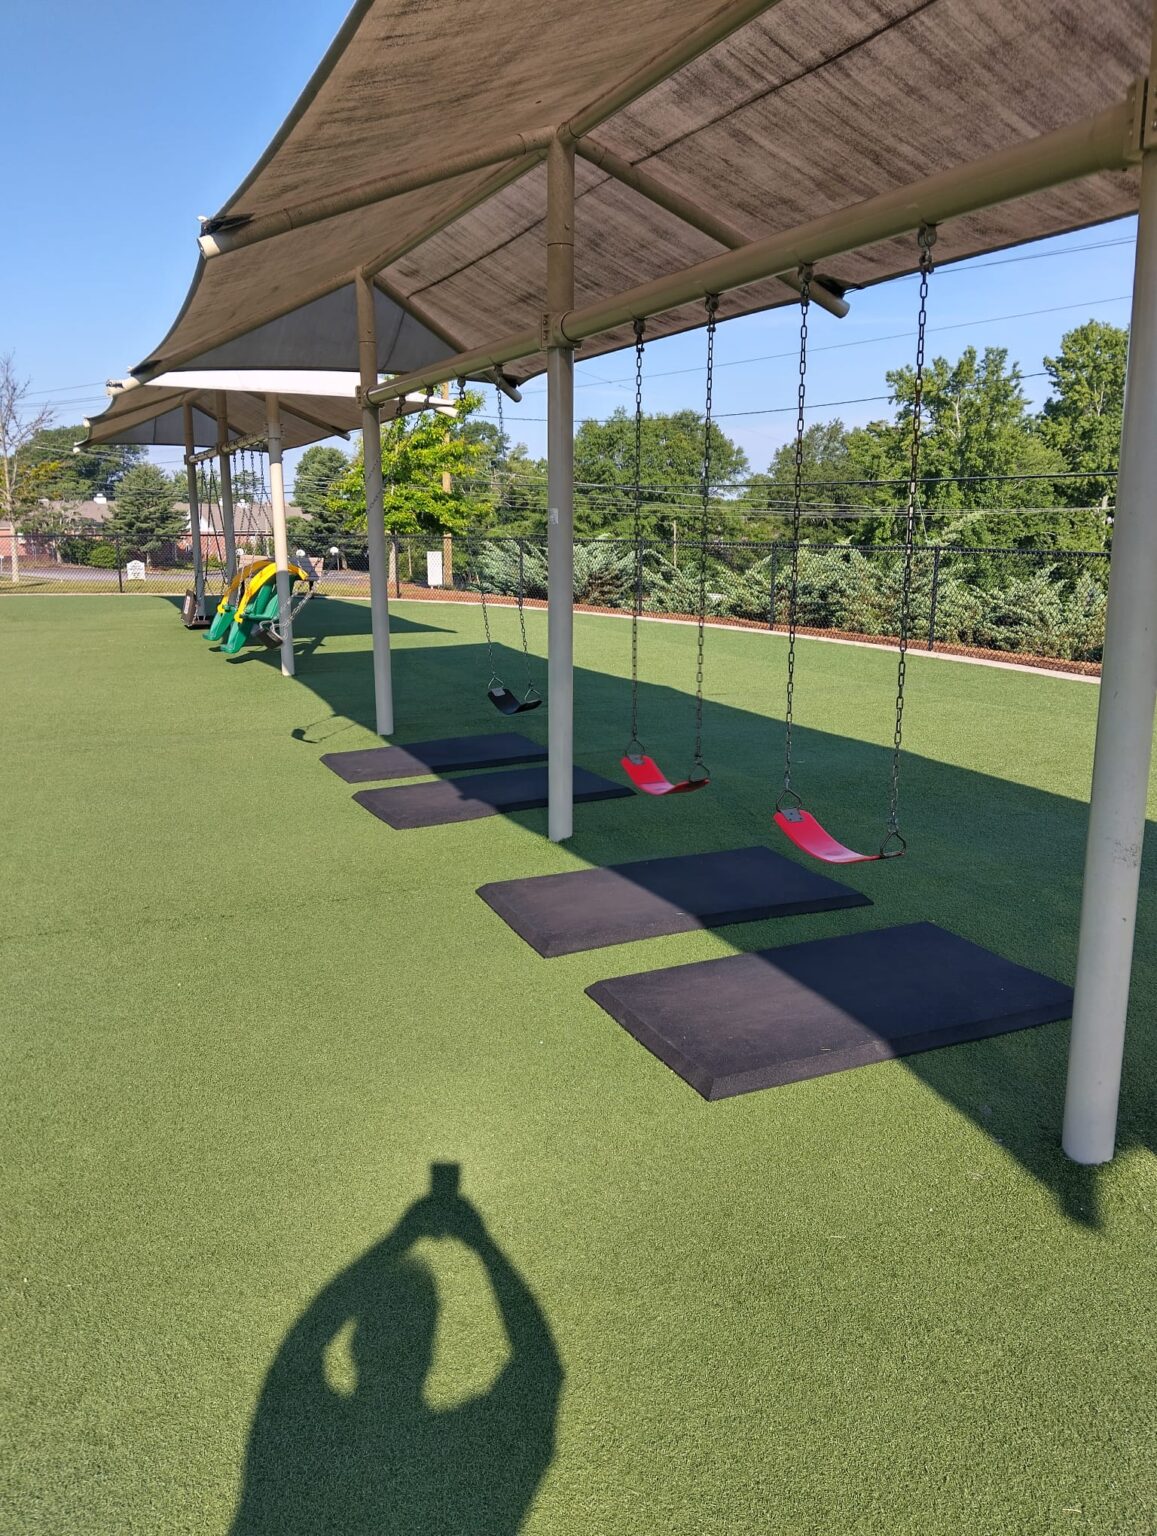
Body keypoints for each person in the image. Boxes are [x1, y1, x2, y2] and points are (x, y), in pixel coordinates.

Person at [230, 1172, 562, 1535]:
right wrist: (482, 1245)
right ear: (429, 1350)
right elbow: (539, 1369)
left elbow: (298, 1352)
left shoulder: (306, 1447)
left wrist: (397, 1241)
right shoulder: (461, 1454)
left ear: (356, 1345)